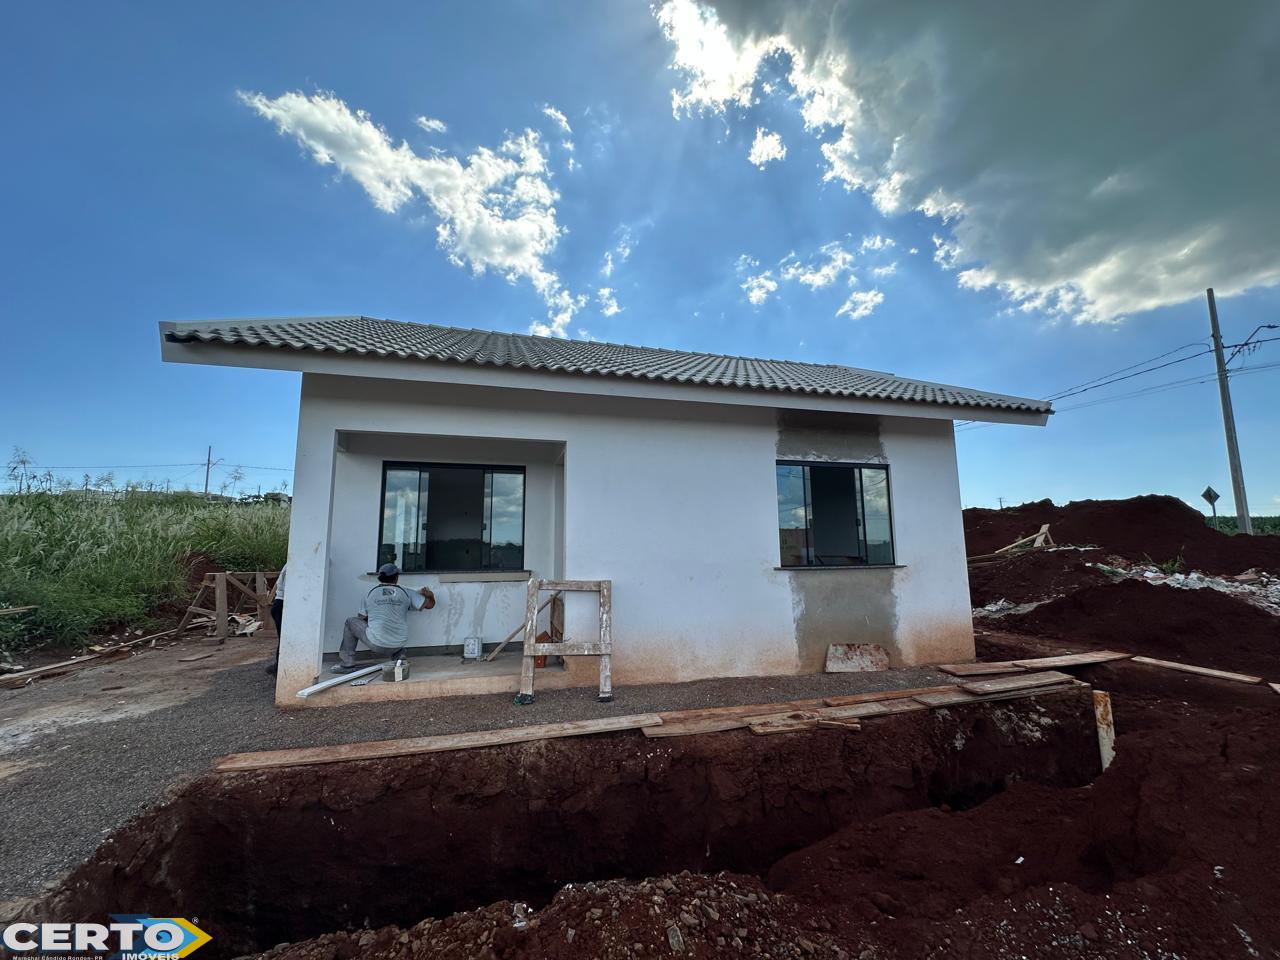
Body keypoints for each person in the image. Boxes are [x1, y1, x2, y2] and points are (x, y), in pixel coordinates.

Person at [332, 563, 435, 673]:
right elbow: (430, 605)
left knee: (350, 622)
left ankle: (347, 663)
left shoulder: (369, 594)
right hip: (399, 643)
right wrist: (429, 594)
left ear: (380, 578)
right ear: (397, 577)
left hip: (376, 644)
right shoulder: (406, 593)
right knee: (394, 629)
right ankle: (399, 655)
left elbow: (361, 619)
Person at [265, 562, 286, 676]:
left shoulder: (291, 564)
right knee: (285, 639)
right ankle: (279, 668)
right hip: (282, 605)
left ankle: (278, 666)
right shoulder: (293, 567)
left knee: (283, 638)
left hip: (280, 604)